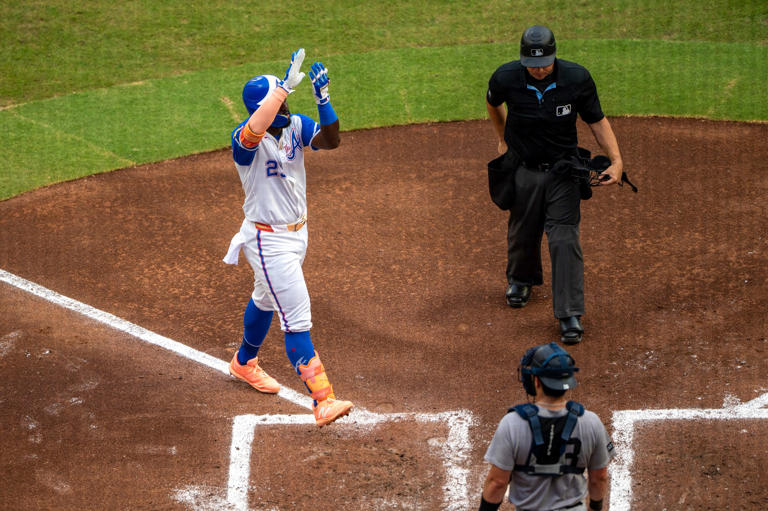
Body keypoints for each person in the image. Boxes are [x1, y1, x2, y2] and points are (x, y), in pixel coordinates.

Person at [222, 48, 353, 427]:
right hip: (268, 242)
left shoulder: (295, 125)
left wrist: (323, 101)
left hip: (297, 235)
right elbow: (255, 128)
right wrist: (278, 90)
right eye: (278, 100)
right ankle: (322, 400)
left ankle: (244, 363)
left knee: (264, 299)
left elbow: (331, 141)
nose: (284, 105)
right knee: (297, 318)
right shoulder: (243, 141)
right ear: (262, 107)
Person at [486, 25, 624, 344]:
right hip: (524, 166)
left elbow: (596, 121)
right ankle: (521, 280)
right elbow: (493, 103)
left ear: (554, 55)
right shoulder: (506, 77)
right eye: (532, 64)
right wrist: (502, 139)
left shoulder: (576, 79)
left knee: (564, 237)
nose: (538, 69)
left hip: (564, 170)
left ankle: (569, 312)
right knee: (523, 229)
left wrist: (616, 160)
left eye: (544, 62)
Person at [479, 343, 615, 511]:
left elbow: (497, 483)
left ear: (536, 381)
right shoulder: (591, 422)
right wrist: (595, 507)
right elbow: (599, 478)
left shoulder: (512, 424)